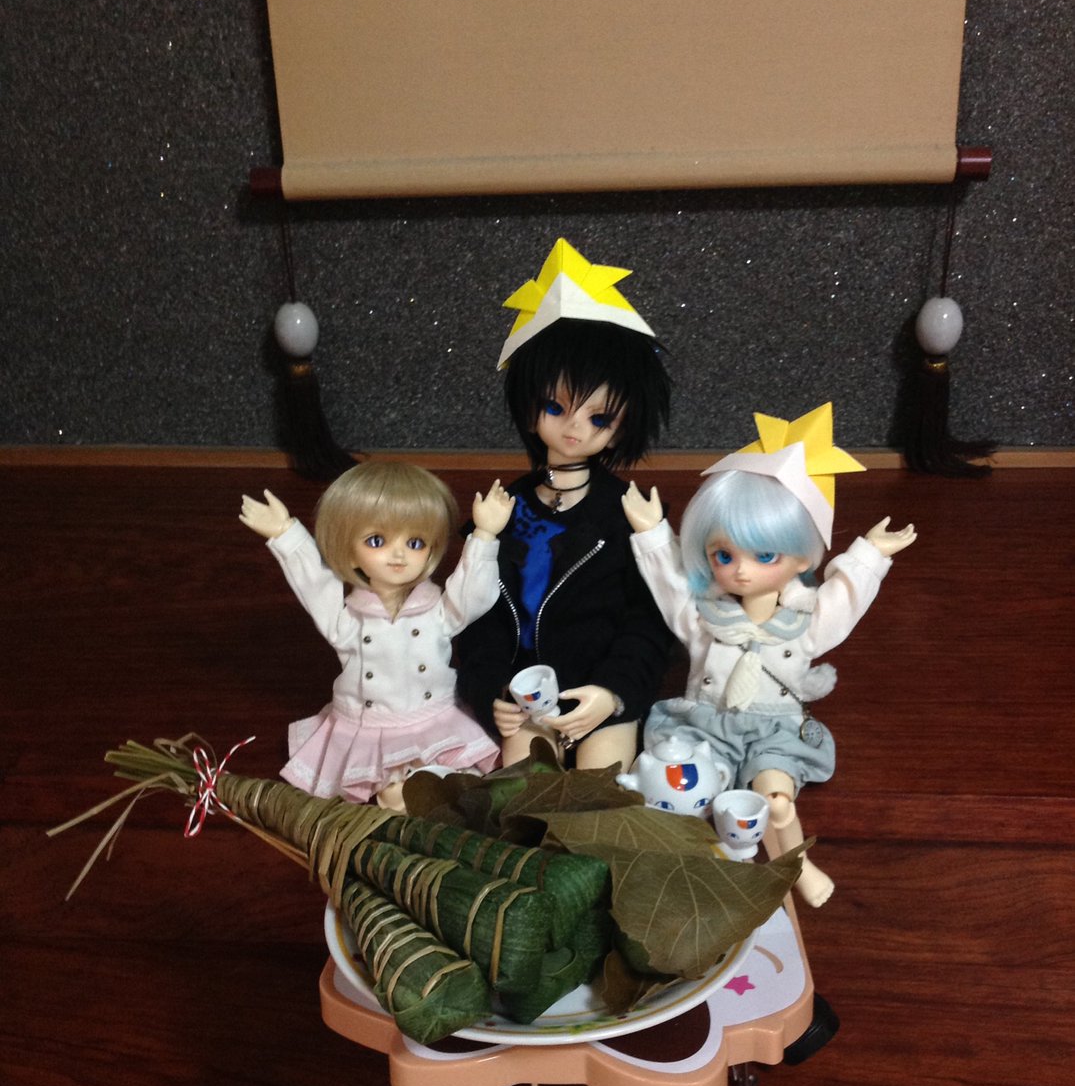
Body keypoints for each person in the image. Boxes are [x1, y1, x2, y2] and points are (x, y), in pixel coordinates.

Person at [622, 404, 916, 906]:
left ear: (802, 557)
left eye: (764, 556)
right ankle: (692, 867)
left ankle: (794, 865)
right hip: (706, 725)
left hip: (774, 730)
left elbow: (843, 600)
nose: (741, 571)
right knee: (680, 790)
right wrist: (652, 534)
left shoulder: (805, 622)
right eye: (723, 555)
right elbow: (672, 585)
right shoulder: (704, 618)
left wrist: (870, 554)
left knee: (776, 798)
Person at [455, 238, 673, 771]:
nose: (575, 428)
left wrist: (614, 692)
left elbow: (651, 621)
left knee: (602, 794)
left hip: (600, 693)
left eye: (599, 418)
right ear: (530, 408)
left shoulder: (628, 514)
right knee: (521, 791)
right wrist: (492, 690)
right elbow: (474, 619)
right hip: (525, 696)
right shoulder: (501, 510)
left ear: (622, 427)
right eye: (556, 407)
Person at [240, 461, 514, 803]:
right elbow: (316, 585)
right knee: (396, 796)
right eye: (377, 540)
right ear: (348, 549)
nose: (398, 554)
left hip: (435, 720)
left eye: (415, 542)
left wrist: (485, 535)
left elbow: (473, 596)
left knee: (459, 788)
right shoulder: (348, 621)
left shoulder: (438, 611)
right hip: (371, 725)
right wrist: (285, 533)